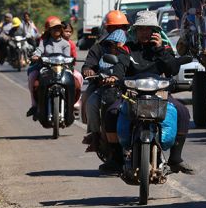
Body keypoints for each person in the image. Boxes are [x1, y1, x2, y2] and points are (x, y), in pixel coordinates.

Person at [123, 10, 195, 174]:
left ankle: (175, 158)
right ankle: (115, 157)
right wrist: (116, 78)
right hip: (132, 94)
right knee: (113, 111)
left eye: (148, 29)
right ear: (135, 30)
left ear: (155, 31)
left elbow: (171, 69)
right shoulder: (128, 48)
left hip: (159, 93)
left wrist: (160, 50)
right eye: (141, 29)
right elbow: (120, 67)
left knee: (182, 112)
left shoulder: (164, 48)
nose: (144, 32)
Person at [81, 10, 131, 138]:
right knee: (90, 102)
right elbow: (89, 63)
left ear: (126, 28)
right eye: (114, 28)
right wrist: (89, 70)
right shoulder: (98, 47)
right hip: (102, 85)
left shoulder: (132, 46)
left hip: (128, 87)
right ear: (107, 29)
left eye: (121, 28)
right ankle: (94, 135)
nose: (118, 32)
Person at [26, 16, 77, 119]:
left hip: (62, 68)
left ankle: (72, 105)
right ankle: (34, 105)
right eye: (54, 28)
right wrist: (36, 56)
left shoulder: (65, 44)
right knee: (32, 76)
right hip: (46, 68)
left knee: (74, 81)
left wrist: (69, 61)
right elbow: (39, 50)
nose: (57, 30)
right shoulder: (44, 41)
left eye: (59, 28)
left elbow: (67, 58)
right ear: (49, 30)